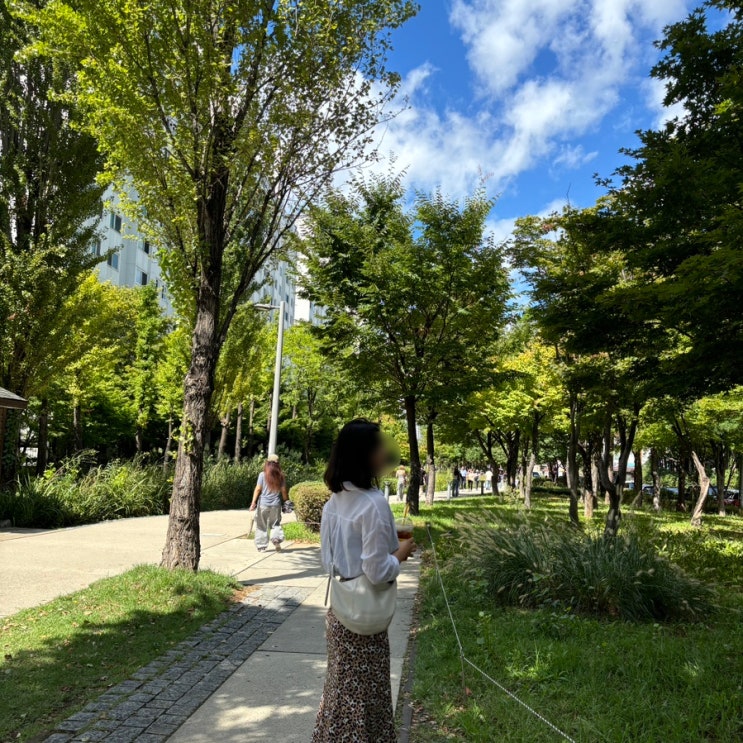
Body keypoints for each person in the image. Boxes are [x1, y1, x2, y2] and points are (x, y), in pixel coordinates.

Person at [313, 420, 416, 743]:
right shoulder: (373, 503)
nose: (384, 452)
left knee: (339, 696)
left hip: (339, 611)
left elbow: (328, 559)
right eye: (378, 446)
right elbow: (377, 570)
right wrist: (400, 554)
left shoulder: (334, 502)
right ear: (365, 454)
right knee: (365, 700)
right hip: (364, 619)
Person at [249, 454, 289, 552]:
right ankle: (276, 539)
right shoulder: (281, 476)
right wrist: (286, 501)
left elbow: (258, 489)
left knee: (261, 525)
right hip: (276, 505)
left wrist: (253, 502)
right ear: (278, 464)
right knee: (275, 523)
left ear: (267, 463)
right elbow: (284, 491)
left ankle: (261, 546)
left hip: (263, 504)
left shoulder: (262, 475)